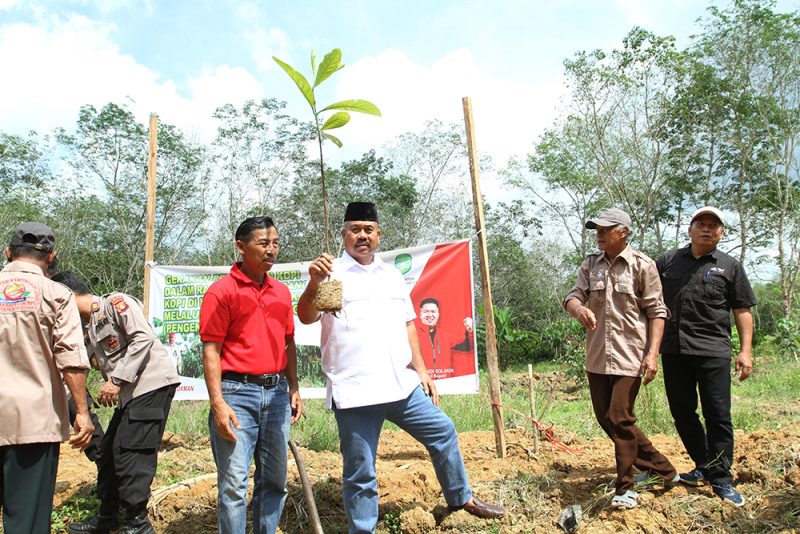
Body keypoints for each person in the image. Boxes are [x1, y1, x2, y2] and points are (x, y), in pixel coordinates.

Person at [297, 201, 505, 534]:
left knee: (443, 431)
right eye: (355, 229)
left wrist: (421, 370)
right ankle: (362, 529)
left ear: (378, 235)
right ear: (344, 234)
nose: (362, 236)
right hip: (355, 391)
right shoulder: (332, 274)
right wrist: (313, 283)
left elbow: (409, 324)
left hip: (399, 386)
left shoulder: (391, 275)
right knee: (360, 470)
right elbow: (306, 316)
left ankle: (460, 497)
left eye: (368, 230)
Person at [564, 208, 678, 510]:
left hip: (631, 355)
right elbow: (573, 296)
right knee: (608, 420)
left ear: (623, 231)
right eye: (596, 229)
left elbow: (657, 312)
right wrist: (578, 309)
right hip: (598, 356)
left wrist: (652, 355)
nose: (599, 233)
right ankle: (663, 470)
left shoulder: (643, 265)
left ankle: (625, 488)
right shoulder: (591, 264)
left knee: (619, 417)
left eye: (605, 228)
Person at [199, 216, 302, 534]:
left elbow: (288, 343)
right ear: (241, 246)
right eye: (263, 243)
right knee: (233, 484)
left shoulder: (282, 292)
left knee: (274, 480)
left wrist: (294, 387)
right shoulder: (221, 292)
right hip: (235, 394)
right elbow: (211, 351)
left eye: (275, 243)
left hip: (277, 394)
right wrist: (217, 402)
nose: (271, 250)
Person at [55, 272, 180, 534]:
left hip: (151, 385)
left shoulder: (116, 304)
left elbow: (143, 338)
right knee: (110, 451)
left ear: (67, 295)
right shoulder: (87, 327)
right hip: (131, 395)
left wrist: (115, 380)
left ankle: (137, 523)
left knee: (130, 452)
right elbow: (77, 366)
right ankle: (108, 517)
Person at [656, 206, 756, 507]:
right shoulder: (668, 262)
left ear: (721, 233)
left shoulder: (730, 266)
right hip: (674, 350)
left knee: (718, 415)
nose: (707, 229)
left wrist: (746, 351)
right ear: (690, 229)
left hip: (713, 351)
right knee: (682, 412)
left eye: (714, 225)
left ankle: (722, 479)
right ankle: (705, 465)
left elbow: (742, 310)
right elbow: (649, 302)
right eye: (701, 223)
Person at [0, 222, 94, 534]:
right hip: (33, 423)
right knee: (27, 521)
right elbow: (70, 358)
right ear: (51, 257)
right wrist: (82, 412)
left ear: (8, 252)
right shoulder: (56, 294)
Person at [416, 297, 474, 379]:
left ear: (438, 314)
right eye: (426, 312)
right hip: (421, 384)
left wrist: (470, 330)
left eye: (433, 312)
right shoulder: (412, 336)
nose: (430, 315)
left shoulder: (446, 335)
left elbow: (469, 346)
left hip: (444, 386)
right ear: (420, 315)